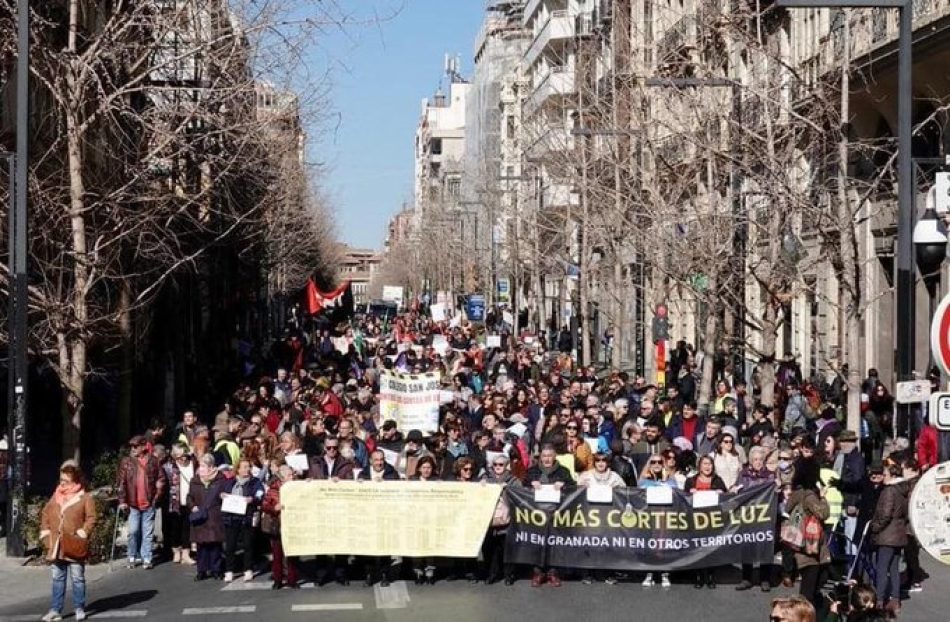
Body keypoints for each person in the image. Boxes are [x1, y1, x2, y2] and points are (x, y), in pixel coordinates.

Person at [40, 461, 97, 622]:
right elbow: (45, 513)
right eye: (61, 479)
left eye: (66, 480)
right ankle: (55, 609)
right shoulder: (55, 495)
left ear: (75, 479)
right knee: (58, 578)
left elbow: (91, 518)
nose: (62, 483)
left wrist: (84, 532)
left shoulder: (85, 497)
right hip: (56, 545)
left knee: (77, 578)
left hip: (74, 544)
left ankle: (79, 607)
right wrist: (45, 533)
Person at [523, 445, 575, 587]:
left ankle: (553, 573)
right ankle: (538, 573)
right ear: (540, 457)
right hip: (536, 514)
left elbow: (573, 488)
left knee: (553, 543)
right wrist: (530, 484)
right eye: (544, 456)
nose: (546, 459)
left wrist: (563, 485)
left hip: (556, 513)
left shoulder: (563, 471)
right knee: (537, 543)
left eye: (549, 456)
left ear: (554, 457)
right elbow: (522, 489)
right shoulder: (532, 471)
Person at [116, 434, 167, 570]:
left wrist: (157, 495)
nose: (133, 449)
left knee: (147, 532)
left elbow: (161, 478)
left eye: (136, 446)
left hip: (149, 502)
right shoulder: (126, 462)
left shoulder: (153, 461)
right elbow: (121, 483)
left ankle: (147, 557)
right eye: (131, 446)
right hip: (133, 504)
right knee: (133, 531)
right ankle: (132, 555)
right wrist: (122, 501)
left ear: (144, 447)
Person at [786, 456, 830, 612]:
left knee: (815, 578)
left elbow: (787, 508)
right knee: (809, 588)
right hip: (810, 543)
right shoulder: (810, 495)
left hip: (800, 541)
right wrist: (823, 498)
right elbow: (823, 513)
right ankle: (803, 614)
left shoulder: (797, 492)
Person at [870, 461, 910, 614]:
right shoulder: (904, 490)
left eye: (885, 474)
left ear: (892, 475)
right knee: (894, 568)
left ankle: (879, 600)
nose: (883, 477)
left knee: (881, 567)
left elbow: (885, 514)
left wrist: (875, 527)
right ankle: (896, 599)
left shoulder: (889, 491)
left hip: (887, 534)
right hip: (899, 533)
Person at [735, 447, 776, 591]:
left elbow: (774, 493)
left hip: (764, 515)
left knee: (765, 544)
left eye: (760, 459)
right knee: (747, 545)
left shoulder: (770, 475)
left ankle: (765, 579)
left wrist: (777, 488)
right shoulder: (744, 474)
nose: (758, 462)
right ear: (751, 461)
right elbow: (738, 490)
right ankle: (746, 578)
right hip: (748, 515)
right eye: (755, 460)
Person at [685, 455, 728, 588]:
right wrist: (689, 494)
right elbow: (682, 500)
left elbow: (727, 499)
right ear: (699, 466)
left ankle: (710, 575)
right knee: (697, 547)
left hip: (712, 519)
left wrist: (722, 494)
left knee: (710, 548)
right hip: (696, 519)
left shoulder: (718, 480)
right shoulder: (691, 480)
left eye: (709, 464)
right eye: (704, 464)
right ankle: (698, 576)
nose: (707, 467)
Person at [221, 459, 265, 582]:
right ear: (238, 469)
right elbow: (222, 493)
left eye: (248, 467)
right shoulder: (230, 482)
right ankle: (229, 570)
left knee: (248, 544)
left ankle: (248, 569)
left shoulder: (254, 482)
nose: (247, 469)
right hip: (231, 517)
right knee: (230, 545)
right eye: (244, 467)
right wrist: (222, 495)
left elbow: (260, 494)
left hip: (247, 517)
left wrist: (253, 499)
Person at [187, 454, 227, 581]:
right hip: (200, 516)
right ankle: (202, 570)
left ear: (211, 467)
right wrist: (192, 506)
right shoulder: (195, 481)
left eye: (204, 466)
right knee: (201, 546)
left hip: (214, 516)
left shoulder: (220, 480)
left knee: (215, 545)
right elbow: (189, 497)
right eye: (200, 465)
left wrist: (224, 497)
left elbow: (226, 494)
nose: (201, 468)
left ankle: (216, 569)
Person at [261, 464, 299, 589]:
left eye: (292, 474)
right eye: (289, 475)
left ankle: (292, 579)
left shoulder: (296, 487)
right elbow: (265, 505)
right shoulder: (273, 490)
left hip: (292, 523)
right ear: (282, 478)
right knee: (277, 554)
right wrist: (274, 508)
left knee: (292, 554)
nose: (292, 477)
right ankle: (278, 579)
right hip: (277, 524)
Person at [163, 443, 197, 565]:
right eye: (179, 456)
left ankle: (186, 554)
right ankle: (176, 551)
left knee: (187, 529)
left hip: (189, 501)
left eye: (184, 455)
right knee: (175, 528)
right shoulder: (168, 467)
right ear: (174, 456)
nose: (183, 459)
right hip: (174, 502)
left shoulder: (193, 464)